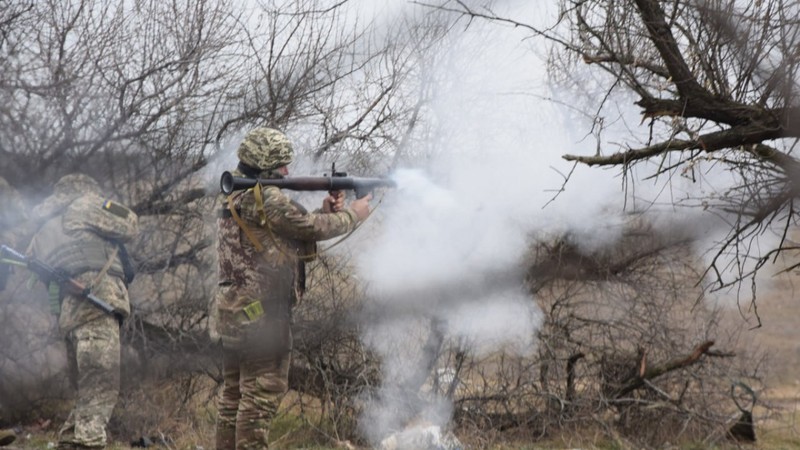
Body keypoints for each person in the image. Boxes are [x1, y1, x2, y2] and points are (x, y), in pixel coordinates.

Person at [213, 127, 371, 449]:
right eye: (281, 164)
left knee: (233, 397)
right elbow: (310, 227)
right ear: (267, 163)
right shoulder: (266, 197)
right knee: (260, 398)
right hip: (263, 319)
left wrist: (325, 211)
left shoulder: (235, 192)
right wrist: (353, 215)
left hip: (234, 313)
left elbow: (284, 233)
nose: (287, 171)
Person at [28, 174, 138, 450]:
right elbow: (130, 224)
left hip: (70, 316)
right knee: (101, 390)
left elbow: (34, 269)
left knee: (88, 393)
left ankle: (69, 441)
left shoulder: (44, 225)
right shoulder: (86, 204)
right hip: (97, 307)